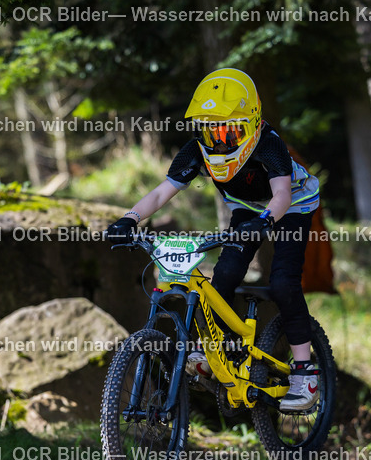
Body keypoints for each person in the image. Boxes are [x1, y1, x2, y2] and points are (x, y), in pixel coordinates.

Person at [106, 68, 322, 412]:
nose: (220, 141)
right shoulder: (196, 151)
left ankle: (304, 373)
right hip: (246, 209)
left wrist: (266, 220)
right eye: (211, 130)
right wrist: (129, 218)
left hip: (293, 206)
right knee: (223, 276)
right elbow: (163, 192)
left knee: (283, 284)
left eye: (230, 130)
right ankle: (213, 352)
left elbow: (281, 193)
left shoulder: (269, 144)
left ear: (251, 125)